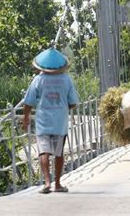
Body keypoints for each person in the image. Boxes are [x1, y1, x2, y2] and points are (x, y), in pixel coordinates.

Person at [22, 47, 78, 194]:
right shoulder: (67, 79)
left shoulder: (38, 80)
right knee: (59, 153)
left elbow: (28, 102)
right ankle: (58, 184)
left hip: (43, 121)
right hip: (60, 122)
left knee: (43, 152)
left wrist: (26, 118)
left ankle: (47, 183)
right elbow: (73, 103)